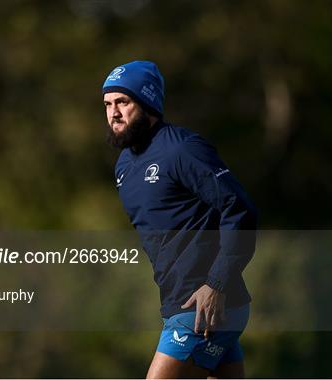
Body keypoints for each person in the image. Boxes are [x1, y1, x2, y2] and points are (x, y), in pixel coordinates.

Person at [102, 60, 258, 379]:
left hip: (201, 307)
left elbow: (240, 211)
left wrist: (215, 283)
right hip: (186, 304)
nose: (113, 112)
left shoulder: (182, 150)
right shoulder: (123, 167)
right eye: (107, 104)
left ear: (147, 102)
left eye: (123, 102)